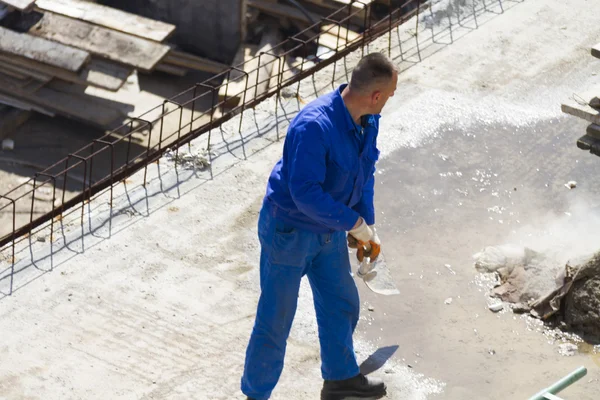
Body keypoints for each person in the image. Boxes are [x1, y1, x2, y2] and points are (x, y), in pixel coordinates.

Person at [241, 52, 398, 400]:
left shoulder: (367, 121)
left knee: (340, 301)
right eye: (389, 94)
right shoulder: (314, 126)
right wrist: (353, 223)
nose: (389, 100)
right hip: (290, 232)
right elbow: (305, 193)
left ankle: (340, 380)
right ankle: (255, 395)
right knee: (276, 320)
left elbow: (364, 174)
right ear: (375, 95)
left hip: (327, 230)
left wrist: (366, 227)